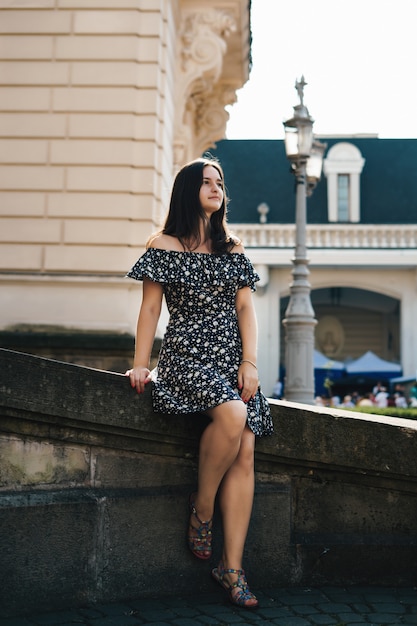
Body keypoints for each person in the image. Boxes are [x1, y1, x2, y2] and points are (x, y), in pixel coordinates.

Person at [126, 156, 273, 610]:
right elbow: (151, 308)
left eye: (220, 182)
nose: (216, 188)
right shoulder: (164, 244)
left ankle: (231, 568)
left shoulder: (233, 247)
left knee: (245, 447)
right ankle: (202, 508)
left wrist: (250, 363)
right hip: (187, 356)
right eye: (206, 182)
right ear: (188, 190)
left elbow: (246, 309)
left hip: (231, 360)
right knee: (233, 413)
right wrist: (140, 363)